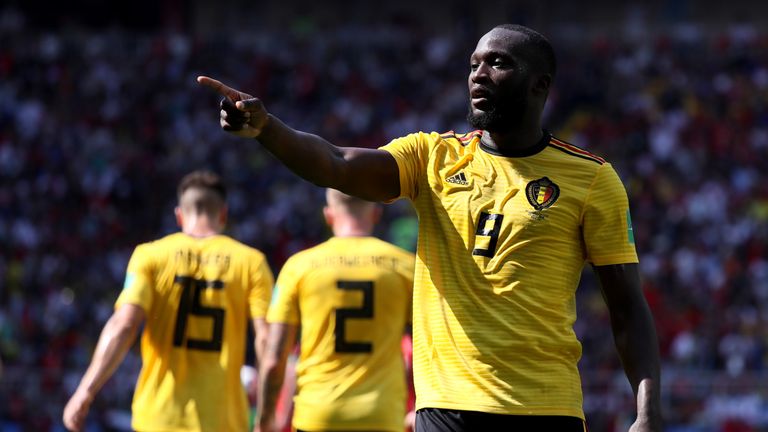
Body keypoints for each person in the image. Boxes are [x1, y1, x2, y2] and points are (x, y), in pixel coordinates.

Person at [198, 23, 662, 431]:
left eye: (498, 64)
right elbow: (337, 165)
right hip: (447, 409)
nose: (479, 75)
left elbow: (627, 309)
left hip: (546, 407)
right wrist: (266, 128)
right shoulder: (432, 157)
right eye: (474, 64)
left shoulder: (591, 178)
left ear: (540, 85)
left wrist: (647, 412)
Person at [62, 170, 274, 432]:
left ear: (179, 215)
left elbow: (123, 324)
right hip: (223, 420)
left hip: (159, 418)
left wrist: (86, 390)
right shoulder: (251, 262)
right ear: (224, 214)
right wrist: (267, 413)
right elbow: (266, 340)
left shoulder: (149, 256)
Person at [259, 188, 415, 432]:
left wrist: (265, 420)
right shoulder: (406, 266)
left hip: (318, 415)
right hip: (381, 415)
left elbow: (274, 359)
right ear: (376, 214)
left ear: (328, 215)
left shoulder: (298, 267)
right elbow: (435, 344)